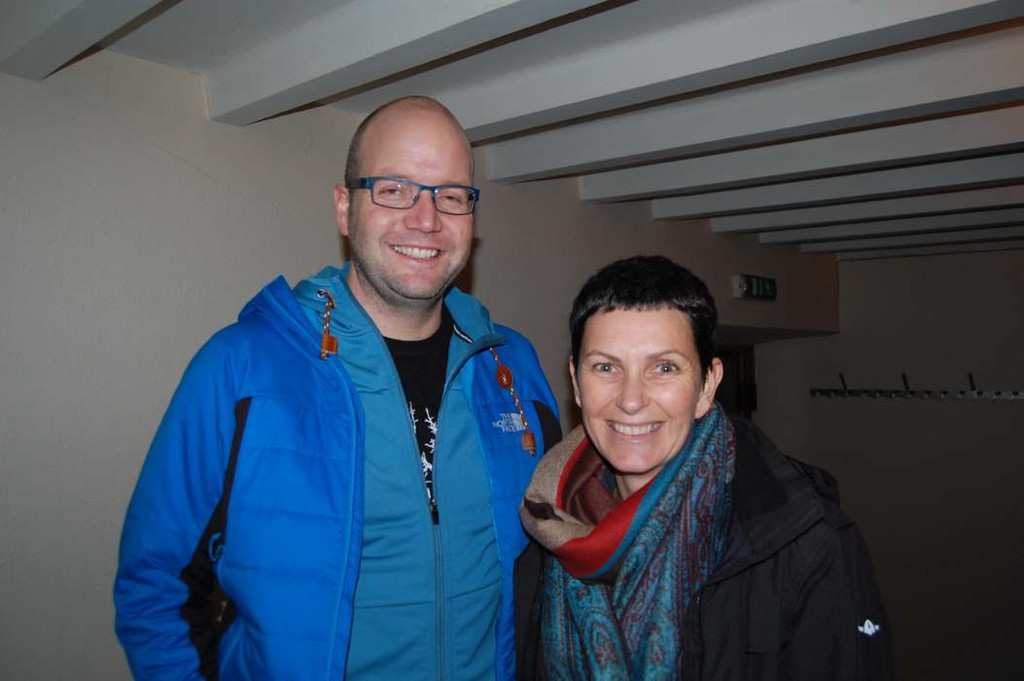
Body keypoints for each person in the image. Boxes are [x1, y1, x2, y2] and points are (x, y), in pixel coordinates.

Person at [114, 96, 561, 681]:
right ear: (345, 208)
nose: (427, 219)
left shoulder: (513, 367)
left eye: (451, 195)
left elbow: (553, 560)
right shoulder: (240, 368)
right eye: (394, 189)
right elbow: (156, 589)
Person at [518, 255, 893, 680]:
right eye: (606, 367)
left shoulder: (805, 541)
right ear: (576, 382)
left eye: (664, 368)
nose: (631, 399)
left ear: (707, 385)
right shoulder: (548, 520)